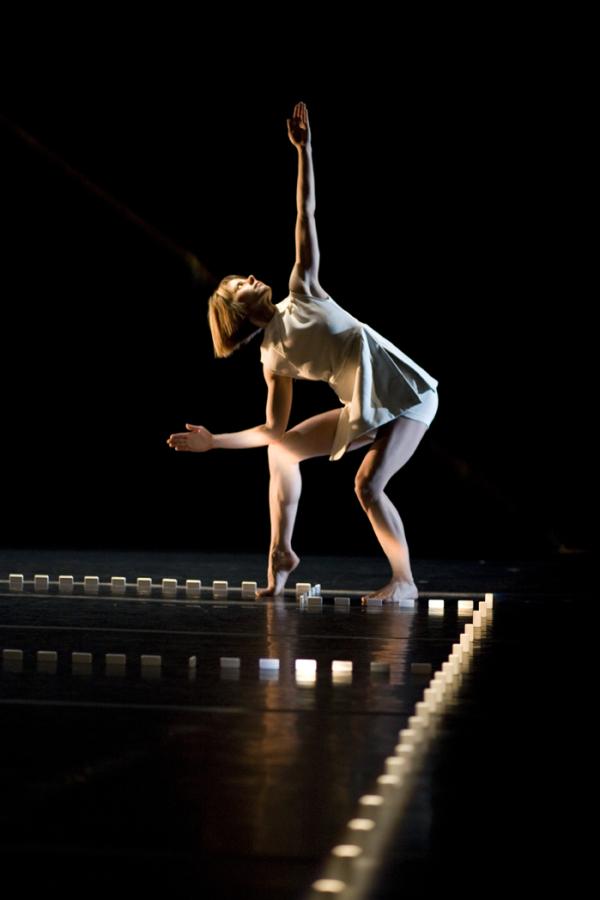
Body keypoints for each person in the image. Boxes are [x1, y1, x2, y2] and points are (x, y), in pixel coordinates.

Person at [167, 101, 439, 603]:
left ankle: (405, 581)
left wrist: (305, 150)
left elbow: (305, 211)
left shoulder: (303, 287)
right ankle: (281, 556)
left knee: (367, 485)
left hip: (406, 393)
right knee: (283, 450)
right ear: (240, 313)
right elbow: (271, 429)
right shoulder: (272, 358)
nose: (249, 277)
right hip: (365, 407)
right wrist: (214, 442)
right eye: (239, 286)